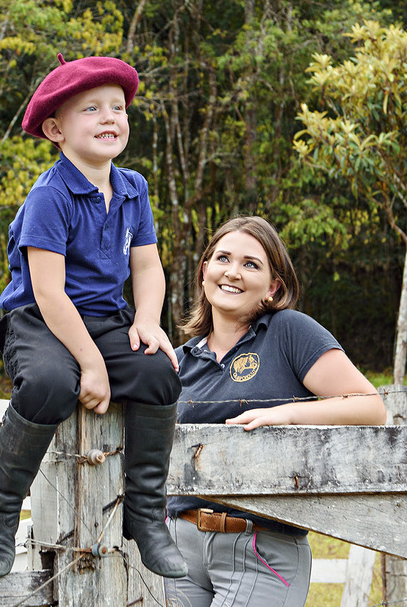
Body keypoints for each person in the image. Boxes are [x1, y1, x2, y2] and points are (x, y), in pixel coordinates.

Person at [0, 53, 187, 580]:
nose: (110, 117)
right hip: (40, 319)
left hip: (106, 318)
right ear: (56, 129)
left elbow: (148, 265)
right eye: (91, 109)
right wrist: (90, 364)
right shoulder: (51, 195)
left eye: (118, 107)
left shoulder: (133, 188)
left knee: (158, 371)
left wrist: (148, 320)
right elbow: (47, 292)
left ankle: (144, 513)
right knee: (50, 382)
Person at [163, 215, 386, 607]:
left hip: (260, 547)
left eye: (251, 264)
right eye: (222, 259)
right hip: (179, 546)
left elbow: (370, 406)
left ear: (273, 286)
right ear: (204, 271)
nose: (233, 272)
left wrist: (286, 414)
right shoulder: (180, 360)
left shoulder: (288, 332)